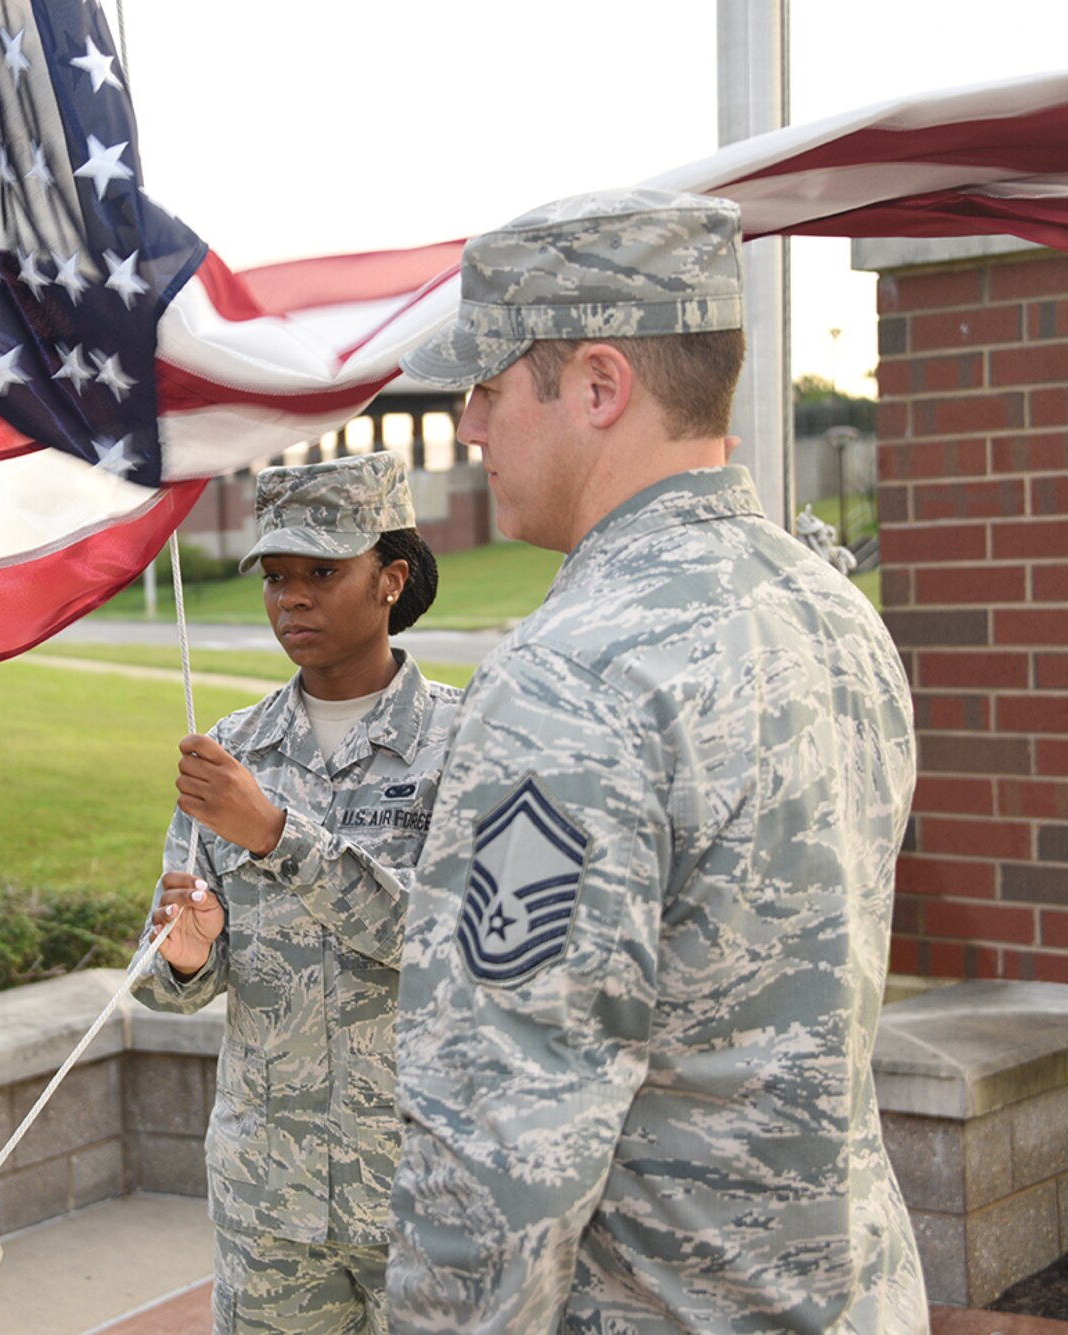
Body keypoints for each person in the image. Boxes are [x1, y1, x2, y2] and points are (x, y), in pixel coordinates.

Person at [385, 188, 928, 1334]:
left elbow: (500, 1142)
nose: (469, 424)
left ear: (596, 385)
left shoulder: (569, 680)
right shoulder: (830, 612)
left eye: (486, 385)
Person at [132, 452, 463, 1335]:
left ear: (391, 577)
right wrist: (190, 950)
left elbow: (446, 942)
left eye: (323, 571)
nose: (293, 598)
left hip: (424, 1194)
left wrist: (276, 834)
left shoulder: (467, 742)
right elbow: (170, 975)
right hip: (270, 1200)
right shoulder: (232, 752)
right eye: (277, 576)